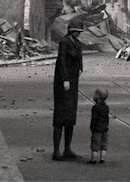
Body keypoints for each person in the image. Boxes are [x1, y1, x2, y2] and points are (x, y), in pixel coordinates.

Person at [52, 21, 85, 160]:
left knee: (71, 117)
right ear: (72, 31)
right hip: (63, 84)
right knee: (60, 117)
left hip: (73, 82)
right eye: (77, 32)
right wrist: (65, 79)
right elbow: (62, 61)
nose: (78, 34)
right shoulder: (65, 42)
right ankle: (56, 151)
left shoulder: (76, 42)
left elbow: (78, 59)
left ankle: (67, 149)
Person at [88, 88, 110, 165]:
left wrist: (92, 127)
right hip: (104, 128)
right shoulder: (106, 107)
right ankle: (102, 158)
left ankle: (94, 158)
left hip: (97, 128)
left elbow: (94, 118)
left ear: (97, 96)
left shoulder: (95, 107)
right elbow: (107, 118)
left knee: (95, 143)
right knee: (104, 143)